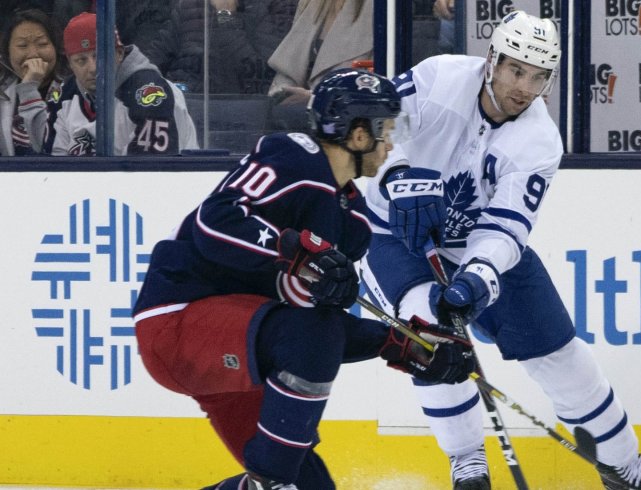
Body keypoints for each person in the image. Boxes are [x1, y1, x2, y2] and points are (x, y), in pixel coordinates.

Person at [360, 10, 641, 490]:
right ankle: (466, 459)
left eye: (539, 77)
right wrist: (397, 177)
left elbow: (504, 228)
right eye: (516, 69)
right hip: (393, 233)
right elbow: (376, 120)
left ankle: (624, 465)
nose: (524, 86)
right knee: (429, 334)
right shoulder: (439, 77)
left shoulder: (539, 141)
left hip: (475, 246)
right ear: (492, 60)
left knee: (563, 357)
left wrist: (478, 276)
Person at [132, 68, 476, 490]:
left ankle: (267, 483)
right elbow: (214, 222)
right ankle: (269, 479)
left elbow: (310, 330)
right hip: (177, 320)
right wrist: (288, 248)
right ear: (358, 134)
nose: (391, 143)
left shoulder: (350, 224)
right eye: (385, 129)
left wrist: (400, 344)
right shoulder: (293, 155)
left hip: (242, 342)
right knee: (282, 464)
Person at [46, 12, 198, 156]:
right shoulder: (65, 96)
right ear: (70, 64)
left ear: (119, 54)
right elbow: (53, 166)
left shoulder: (151, 93)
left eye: (99, 56)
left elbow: (150, 171)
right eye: (81, 60)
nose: (92, 68)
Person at [144, 0, 297, 94]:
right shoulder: (190, 5)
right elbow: (156, 58)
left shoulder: (269, 8)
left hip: (240, 113)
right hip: (186, 105)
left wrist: (224, 15)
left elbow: (255, 72)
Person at [266, 0, 372, 128]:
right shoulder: (310, 3)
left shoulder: (381, 10)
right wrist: (282, 92)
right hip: (294, 125)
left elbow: (375, 92)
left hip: (344, 132)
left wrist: (313, 100)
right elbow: (290, 62)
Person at [0, 8, 66, 156]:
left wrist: (30, 86)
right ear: (7, 52)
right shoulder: (2, 93)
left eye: (42, 44)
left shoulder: (70, 90)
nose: (33, 54)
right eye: (22, 46)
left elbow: (43, 146)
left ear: (55, 47)